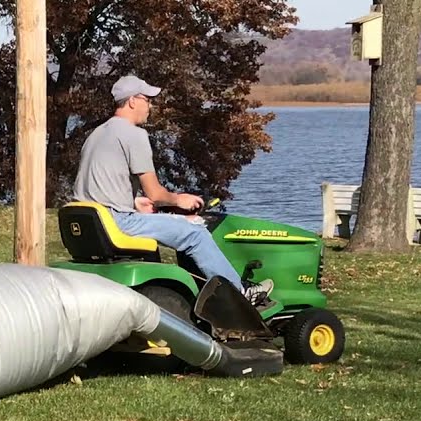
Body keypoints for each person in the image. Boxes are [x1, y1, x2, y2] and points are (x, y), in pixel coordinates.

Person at [72, 75, 272, 302]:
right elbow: (156, 194)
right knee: (194, 231)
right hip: (118, 221)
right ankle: (240, 295)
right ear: (132, 101)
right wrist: (179, 200)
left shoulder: (96, 134)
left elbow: (97, 184)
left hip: (94, 222)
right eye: (148, 100)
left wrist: (134, 201)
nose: (151, 106)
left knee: (180, 225)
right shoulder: (133, 134)